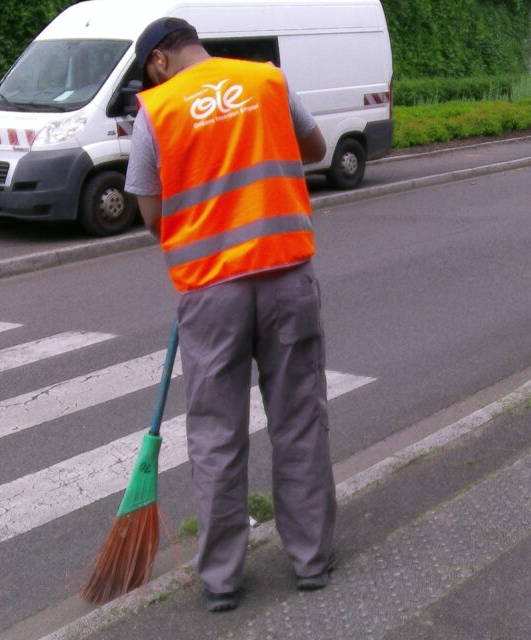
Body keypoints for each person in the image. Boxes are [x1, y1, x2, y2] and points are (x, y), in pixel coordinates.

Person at [124, 17, 335, 613]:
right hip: (285, 274)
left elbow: (150, 213)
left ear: (160, 61)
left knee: (216, 434)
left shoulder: (157, 110)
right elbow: (315, 149)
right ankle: (312, 560)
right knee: (298, 418)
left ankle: (221, 580)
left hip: (211, 292)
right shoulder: (266, 81)